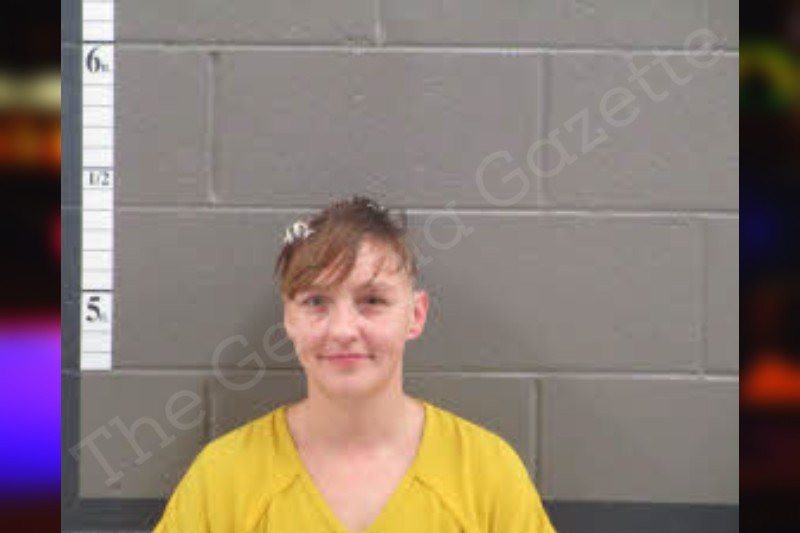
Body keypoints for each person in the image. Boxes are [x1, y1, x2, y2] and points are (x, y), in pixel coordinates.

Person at [153, 196, 557, 532]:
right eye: (316, 302)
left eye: (372, 301)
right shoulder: (223, 477)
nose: (343, 330)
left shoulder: (487, 473)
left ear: (415, 315)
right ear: (288, 319)